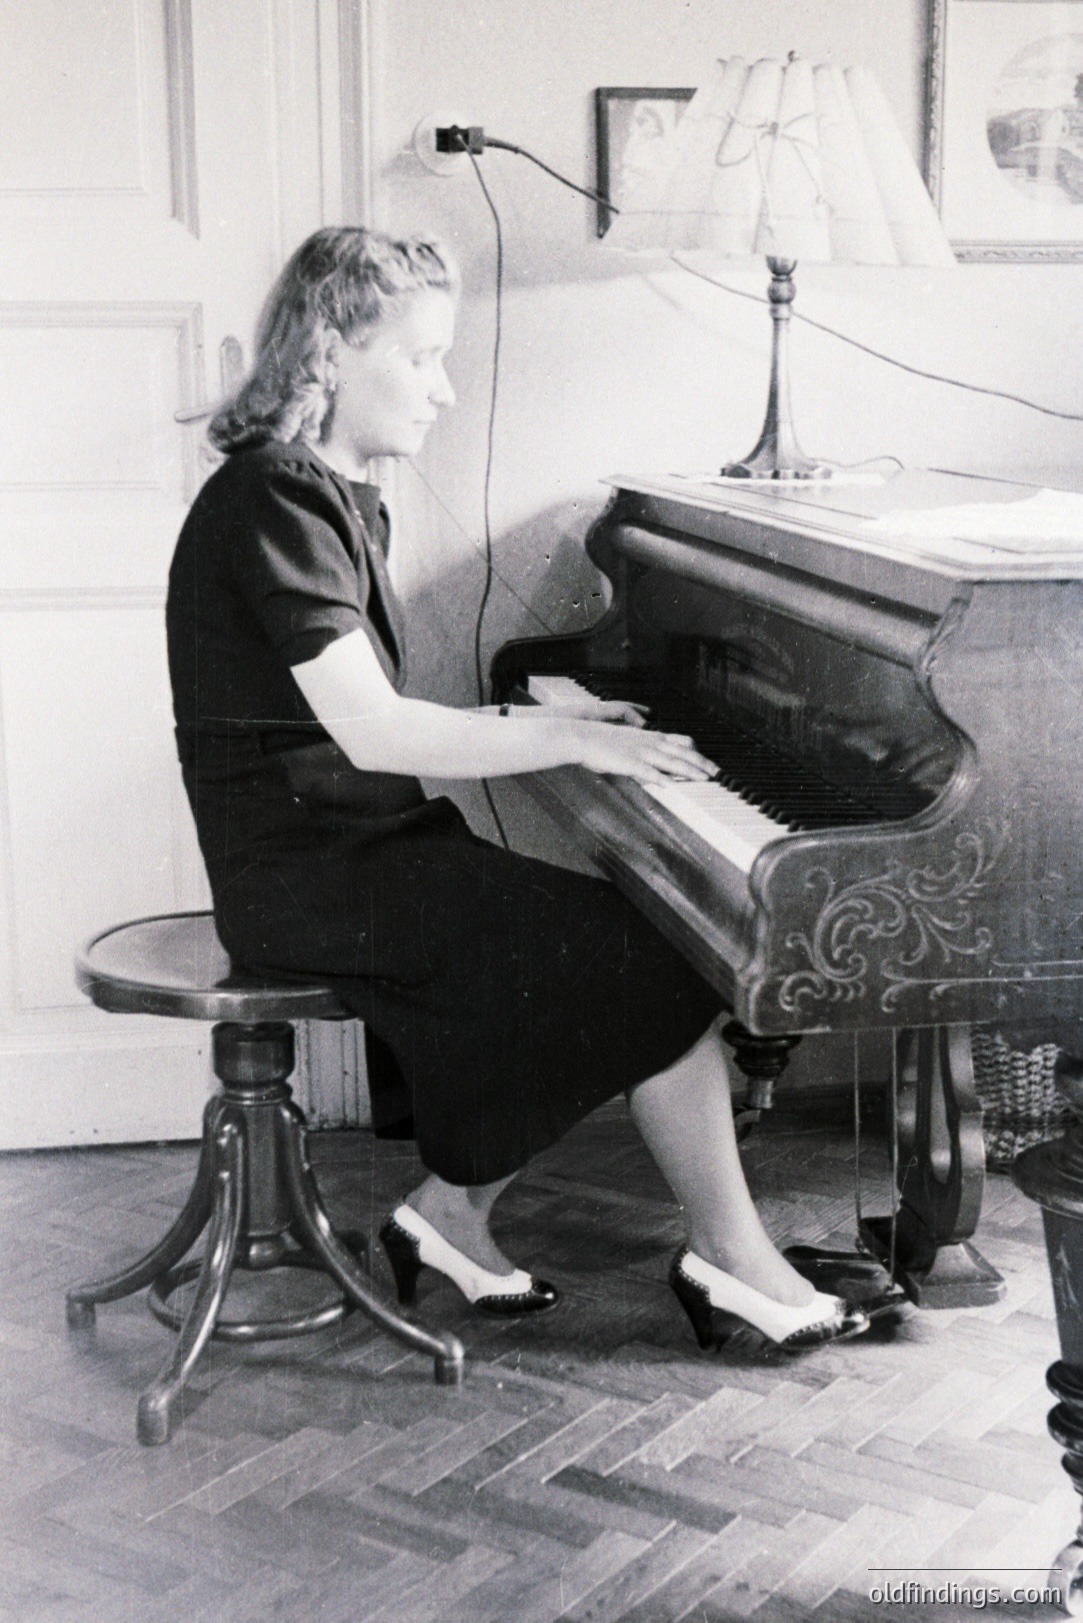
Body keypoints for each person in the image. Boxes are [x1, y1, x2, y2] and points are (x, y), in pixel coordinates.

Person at [166, 226, 868, 1353]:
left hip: (360, 851)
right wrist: (564, 742)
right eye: (423, 357)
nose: (444, 391)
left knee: (628, 950)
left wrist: (560, 720)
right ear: (334, 353)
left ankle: (456, 1215)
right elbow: (376, 729)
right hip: (308, 879)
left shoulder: (333, 494)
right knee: (652, 956)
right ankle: (730, 1260)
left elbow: (360, 724)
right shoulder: (273, 502)